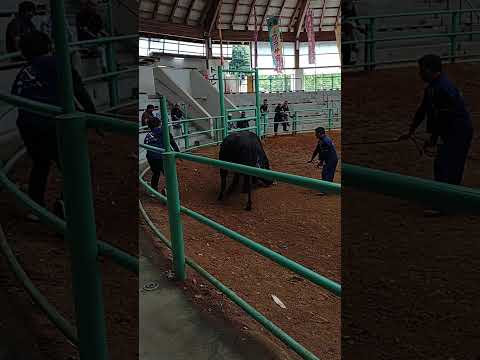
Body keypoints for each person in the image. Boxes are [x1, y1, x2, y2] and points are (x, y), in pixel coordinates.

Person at [11, 31, 97, 221]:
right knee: (75, 166)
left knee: (40, 164)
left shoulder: (25, 70)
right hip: (52, 124)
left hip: (27, 125)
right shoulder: (58, 63)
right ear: (48, 46)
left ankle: (36, 207)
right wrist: (93, 117)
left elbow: (16, 96)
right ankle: (67, 206)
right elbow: (80, 91)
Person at [400, 54, 473, 215]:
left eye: (421, 70)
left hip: (458, 131)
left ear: (429, 69)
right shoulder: (436, 87)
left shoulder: (441, 89)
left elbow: (443, 117)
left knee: (445, 164)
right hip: (456, 130)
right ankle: (450, 200)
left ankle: (445, 204)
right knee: (449, 164)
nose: (419, 74)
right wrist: (411, 130)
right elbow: (423, 110)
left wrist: (433, 138)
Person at [144, 116, 180, 197]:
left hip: (151, 157)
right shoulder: (165, 131)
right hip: (163, 156)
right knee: (169, 175)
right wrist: (178, 153)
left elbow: (146, 145)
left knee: (155, 173)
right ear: (160, 123)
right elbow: (172, 143)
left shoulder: (148, 135)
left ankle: (153, 191)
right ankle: (167, 190)